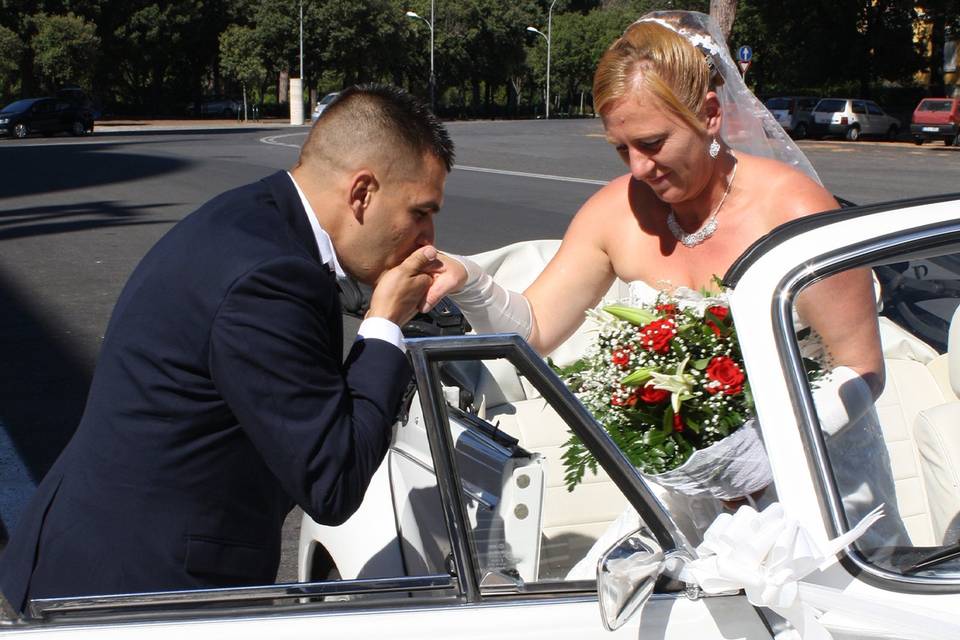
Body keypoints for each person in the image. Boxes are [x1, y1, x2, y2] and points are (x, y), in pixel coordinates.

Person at [428, 12, 901, 551]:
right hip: (689, 493)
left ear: (710, 115)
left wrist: (763, 456)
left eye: (652, 142)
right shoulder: (617, 211)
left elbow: (861, 368)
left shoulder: (793, 209)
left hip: (815, 483)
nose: (637, 168)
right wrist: (468, 280)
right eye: (620, 148)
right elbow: (534, 329)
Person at [0, 84, 453, 610]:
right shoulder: (273, 277)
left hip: (98, 554)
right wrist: (386, 324)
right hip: (141, 592)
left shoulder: (254, 218)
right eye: (421, 212)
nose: (428, 237)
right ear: (361, 193)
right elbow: (333, 479)